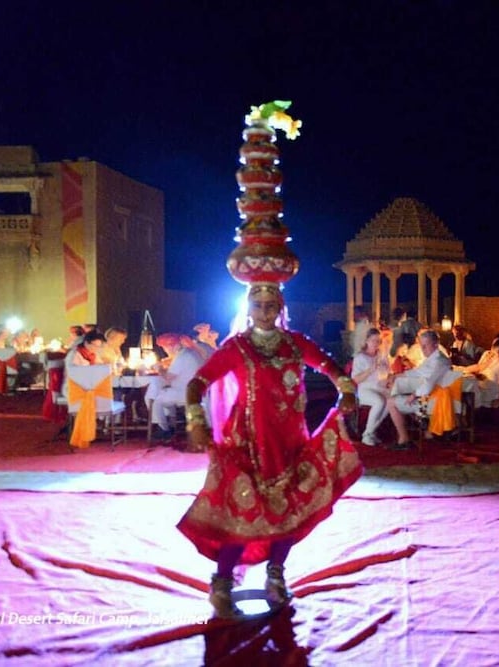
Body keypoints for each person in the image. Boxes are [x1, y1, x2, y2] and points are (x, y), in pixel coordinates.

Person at [179, 102, 361, 620]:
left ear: (280, 305)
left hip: (289, 445)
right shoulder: (236, 348)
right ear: (248, 305)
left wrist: (345, 390)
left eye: (271, 302)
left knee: (286, 517)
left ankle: (278, 575)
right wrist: (196, 423)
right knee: (239, 519)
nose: (264, 308)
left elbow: (332, 368)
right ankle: (221, 582)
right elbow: (197, 385)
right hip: (245, 448)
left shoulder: (293, 343)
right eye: (256, 302)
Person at [385, 328, 461, 449]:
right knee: (396, 391)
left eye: (425, 346)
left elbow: (429, 384)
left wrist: (414, 395)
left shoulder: (439, 361)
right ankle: (421, 427)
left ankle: (404, 439)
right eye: (422, 346)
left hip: (434, 403)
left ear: (436, 345)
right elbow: (418, 372)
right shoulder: (434, 358)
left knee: (390, 402)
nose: (423, 349)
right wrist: (396, 375)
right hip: (432, 398)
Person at [145, 333, 205, 440]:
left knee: (156, 401)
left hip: (184, 392)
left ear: (172, 346)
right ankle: (171, 425)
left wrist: (159, 368)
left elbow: (168, 377)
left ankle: (164, 429)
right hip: (195, 390)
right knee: (165, 395)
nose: (165, 351)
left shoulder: (181, 357)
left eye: (165, 348)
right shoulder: (190, 353)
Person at [351, 328, 391, 445]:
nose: (376, 344)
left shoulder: (381, 356)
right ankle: (368, 435)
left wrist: (387, 375)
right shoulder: (360, 357)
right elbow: (355, 379)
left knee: (391, 402)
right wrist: (370, 370)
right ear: (367, 341)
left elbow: (387, 373)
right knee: (379, 401)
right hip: (365, 389)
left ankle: (369, 433)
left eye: (378, 341)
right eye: (373, 340)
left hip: (380, 387)